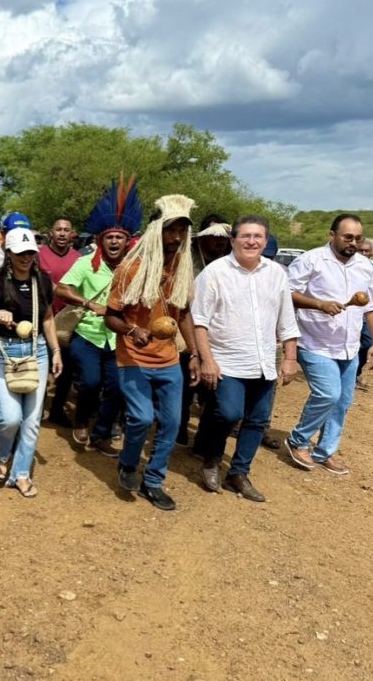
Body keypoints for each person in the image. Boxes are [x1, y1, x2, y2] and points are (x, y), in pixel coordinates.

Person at [190, 215, 301, 501]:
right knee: (228, 413)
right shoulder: (215, 273)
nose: (252, 241)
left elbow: (287, 319)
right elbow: (199, 320)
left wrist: (290, 357)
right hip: (227, 360)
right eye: (245, 236)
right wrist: (206, 359)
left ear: (265, 241)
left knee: (257, 420)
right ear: (233, 240)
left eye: (258, 236)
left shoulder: (276, 273)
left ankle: (238, 474)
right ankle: (212, 459)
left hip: (263, 361)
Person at [104, 194, 199, 512]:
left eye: (182, 230)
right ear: (156, 229)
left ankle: (153, 481)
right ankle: (128, 464)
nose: (176, 237)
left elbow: (183, 313)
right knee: (141, 418)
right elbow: (110, 316)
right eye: (171, 229)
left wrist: (195, 354)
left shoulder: (181, 268)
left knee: (172, 423)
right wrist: (133, 330)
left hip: (169, 358)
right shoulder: (131, 268)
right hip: (133, 357)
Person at [284, 214, 373, 475]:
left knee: (343, 401)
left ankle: (324, 451)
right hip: (314, 342)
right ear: (332, 235)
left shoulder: (365, 266)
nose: (354, 242)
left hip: (349, 347)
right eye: (348, 237)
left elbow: (372, 305)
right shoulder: (311, 260)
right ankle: (298, 440)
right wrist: (319, 304)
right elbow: (286, 293)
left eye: (358, 238)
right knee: (328, 394)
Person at [55, 181, 137, 456]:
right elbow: (61, 289)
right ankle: (81, 421)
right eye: (109, 237)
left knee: (117, 388)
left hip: (118, 338)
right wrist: (89, 303)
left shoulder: (133, 268)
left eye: (119, 238)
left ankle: (101, 435)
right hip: (87, 335)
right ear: (101, 240)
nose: (114, 241)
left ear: (127, 241)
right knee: (90, 381)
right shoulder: (86, 264)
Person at [0, 228, 62, 497]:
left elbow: (47, 318)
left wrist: (56, 350)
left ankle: (21, 474)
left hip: (37, 350)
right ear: (8, 253)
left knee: (32, 418)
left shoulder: (43, 281)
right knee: (10, 417)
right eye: (20, 253)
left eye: (30, 252)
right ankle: (3, 455)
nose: (26, 257)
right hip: (2, 351)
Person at [177, 215, 230, 446]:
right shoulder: (185, 259)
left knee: (213, 389)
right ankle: (179, 427)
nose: (221, 241)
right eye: (215, 236)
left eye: (225, 237)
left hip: (217, 332)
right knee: (186, 383)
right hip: (185, 325)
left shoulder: (230, 262)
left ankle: (204, 440)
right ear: (202, 237)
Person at [37, 217, 80, 429]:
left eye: (66, 230)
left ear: (72, 234)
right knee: (41, 366)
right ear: (51, 233)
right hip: (43, 318)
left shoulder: (78, 258)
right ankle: (36, 410)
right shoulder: (39, 254)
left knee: (66, 369)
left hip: (68, 321)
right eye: (58, 229)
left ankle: (57, 410)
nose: (62, 233)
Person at [355, 238, 373, 389]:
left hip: (366, 312)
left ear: (372, 253)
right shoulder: (348, 265)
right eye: (361, 250)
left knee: (367, 343)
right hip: (350, 311)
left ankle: (356, 372)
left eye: (367, 251)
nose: (364, 253)